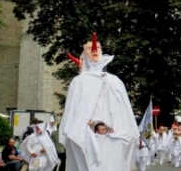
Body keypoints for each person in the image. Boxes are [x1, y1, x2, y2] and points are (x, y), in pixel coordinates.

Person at [59, 33, 139, 171]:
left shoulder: (115, 81)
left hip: (115, 138)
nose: (95, 50)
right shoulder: (78, 81)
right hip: (89, 138)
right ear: (84, 54)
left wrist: (128, 132)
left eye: (98, 47)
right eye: (89, 48)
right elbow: (72, 112)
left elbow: (125, 111)